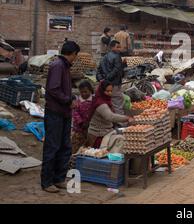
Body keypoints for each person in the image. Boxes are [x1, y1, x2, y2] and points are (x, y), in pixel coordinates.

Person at [41, 41, 80, 193]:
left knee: (65, 146)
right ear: (73, 54)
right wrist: (68, 100)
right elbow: (53, 89)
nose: (75, 59)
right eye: (75, 56)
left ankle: (59, 178)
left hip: (64, 112)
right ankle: (47, 181)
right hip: (55, 112)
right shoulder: (58, 65)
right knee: (52, 146)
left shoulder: (64, 66)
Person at [87, 81, 133, 152]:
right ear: (102, 91)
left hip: (106, 131)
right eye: (107, 91)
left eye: (111, 91)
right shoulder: (100, 103)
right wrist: (126, 118)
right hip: (98, 135)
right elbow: (110, 116)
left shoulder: (106, 101)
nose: (109, 93)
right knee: (120, 140)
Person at [96, 40, 126, 115]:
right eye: (117, 47)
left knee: (109, 102)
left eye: (119, 47)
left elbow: (99, 69)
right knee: (117, 103)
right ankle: (121, 124)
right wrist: (108, 78)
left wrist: (102, 80)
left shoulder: (104, 57)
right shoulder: (117, 56)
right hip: (114, 84)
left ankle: (112, 122)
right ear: (112, 47)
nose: (119, 49)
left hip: (106, 84)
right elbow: (116, 70)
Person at [71, 80, 94, 154]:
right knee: (75, 145)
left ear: (90, 91)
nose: (83, 94)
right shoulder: (78, 101)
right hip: (78, 128)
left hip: (90, 128)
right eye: (82, 92)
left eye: (85, 92)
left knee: (88, 147)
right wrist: (81, 122)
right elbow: (75, 112)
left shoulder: (94, 100)